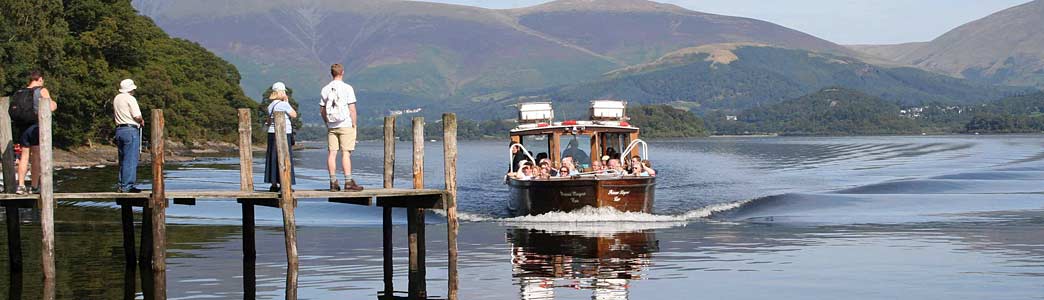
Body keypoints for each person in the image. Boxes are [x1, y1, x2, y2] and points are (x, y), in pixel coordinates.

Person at [10, 71, 56, 195]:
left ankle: (20, 186)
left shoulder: (20, 92)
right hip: (35, 126)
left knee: (24, 156)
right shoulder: (41, 90)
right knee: (35, 155)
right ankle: (34, 186)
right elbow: (51, 107)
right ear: (40, 79)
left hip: (22, 127)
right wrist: (54, 103)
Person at [320, 63, 362, 192]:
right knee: (345, 153)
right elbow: (352, 109)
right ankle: (348, 182)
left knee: (332, 153)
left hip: (332, 125)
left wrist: (327, 122)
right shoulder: (347, 88)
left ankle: (333, 182)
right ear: (342, 72)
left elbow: (322, 110)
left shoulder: (325, 89)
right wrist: (354, 124)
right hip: (345, 124)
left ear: (331, 73)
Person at [263, 82, 298, 192]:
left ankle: (274, 184)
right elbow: (294, 114)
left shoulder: (270, 105)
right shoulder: (284, 104)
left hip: (272, 133)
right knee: (285, 158)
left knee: (273, 158)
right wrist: (287, 102)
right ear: (281, 92)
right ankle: (285, 184)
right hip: (283, 133)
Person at [112, 79, 144, 193]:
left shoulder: (116, 98)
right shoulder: (130, 99)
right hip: (130, 129)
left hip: (119, 130)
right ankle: (127, 186)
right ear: (131, 89)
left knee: (123, 159)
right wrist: (141, 121)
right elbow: (137, 116)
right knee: (130, 159)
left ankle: (121, 185)